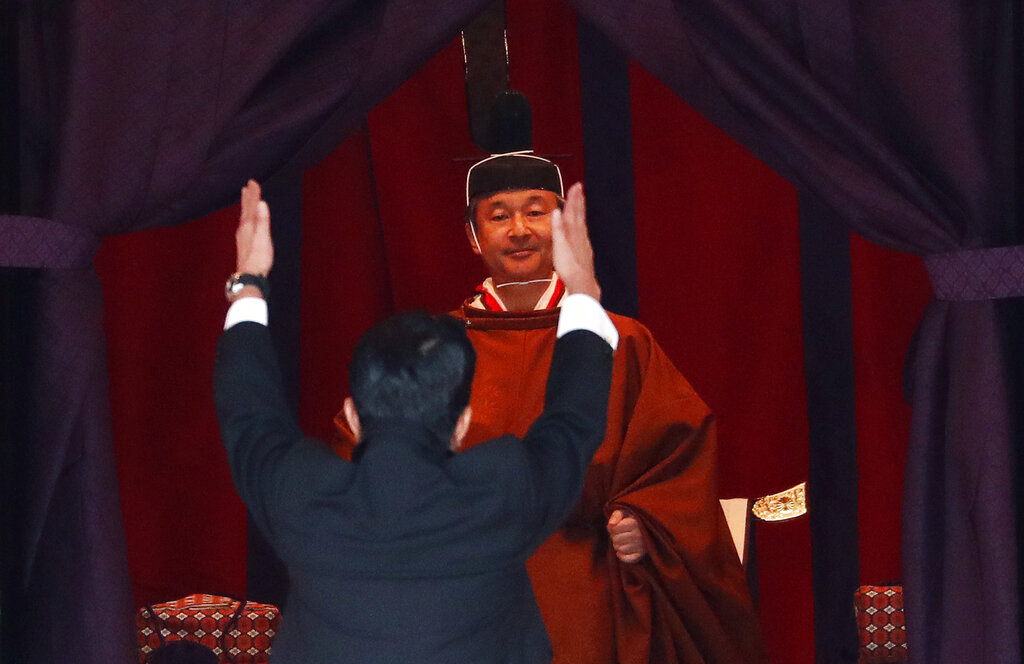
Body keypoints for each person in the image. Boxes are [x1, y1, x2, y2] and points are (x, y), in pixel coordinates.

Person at [338, 152, 766, 663]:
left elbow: (678, 462)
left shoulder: (623, 342)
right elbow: (362, 468)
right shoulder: (425, 351)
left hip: (586, 584)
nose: (519, 230)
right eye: (499, 215)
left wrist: (644, 520)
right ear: (473, 235)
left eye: (536, 212)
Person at [214, 180, 617, 664]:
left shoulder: (301, 493)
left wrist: (249, 283)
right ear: (463, 423)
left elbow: (247, 414)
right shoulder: (502, 490)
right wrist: (584, 289)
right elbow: (575, 420)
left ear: (351, 415)